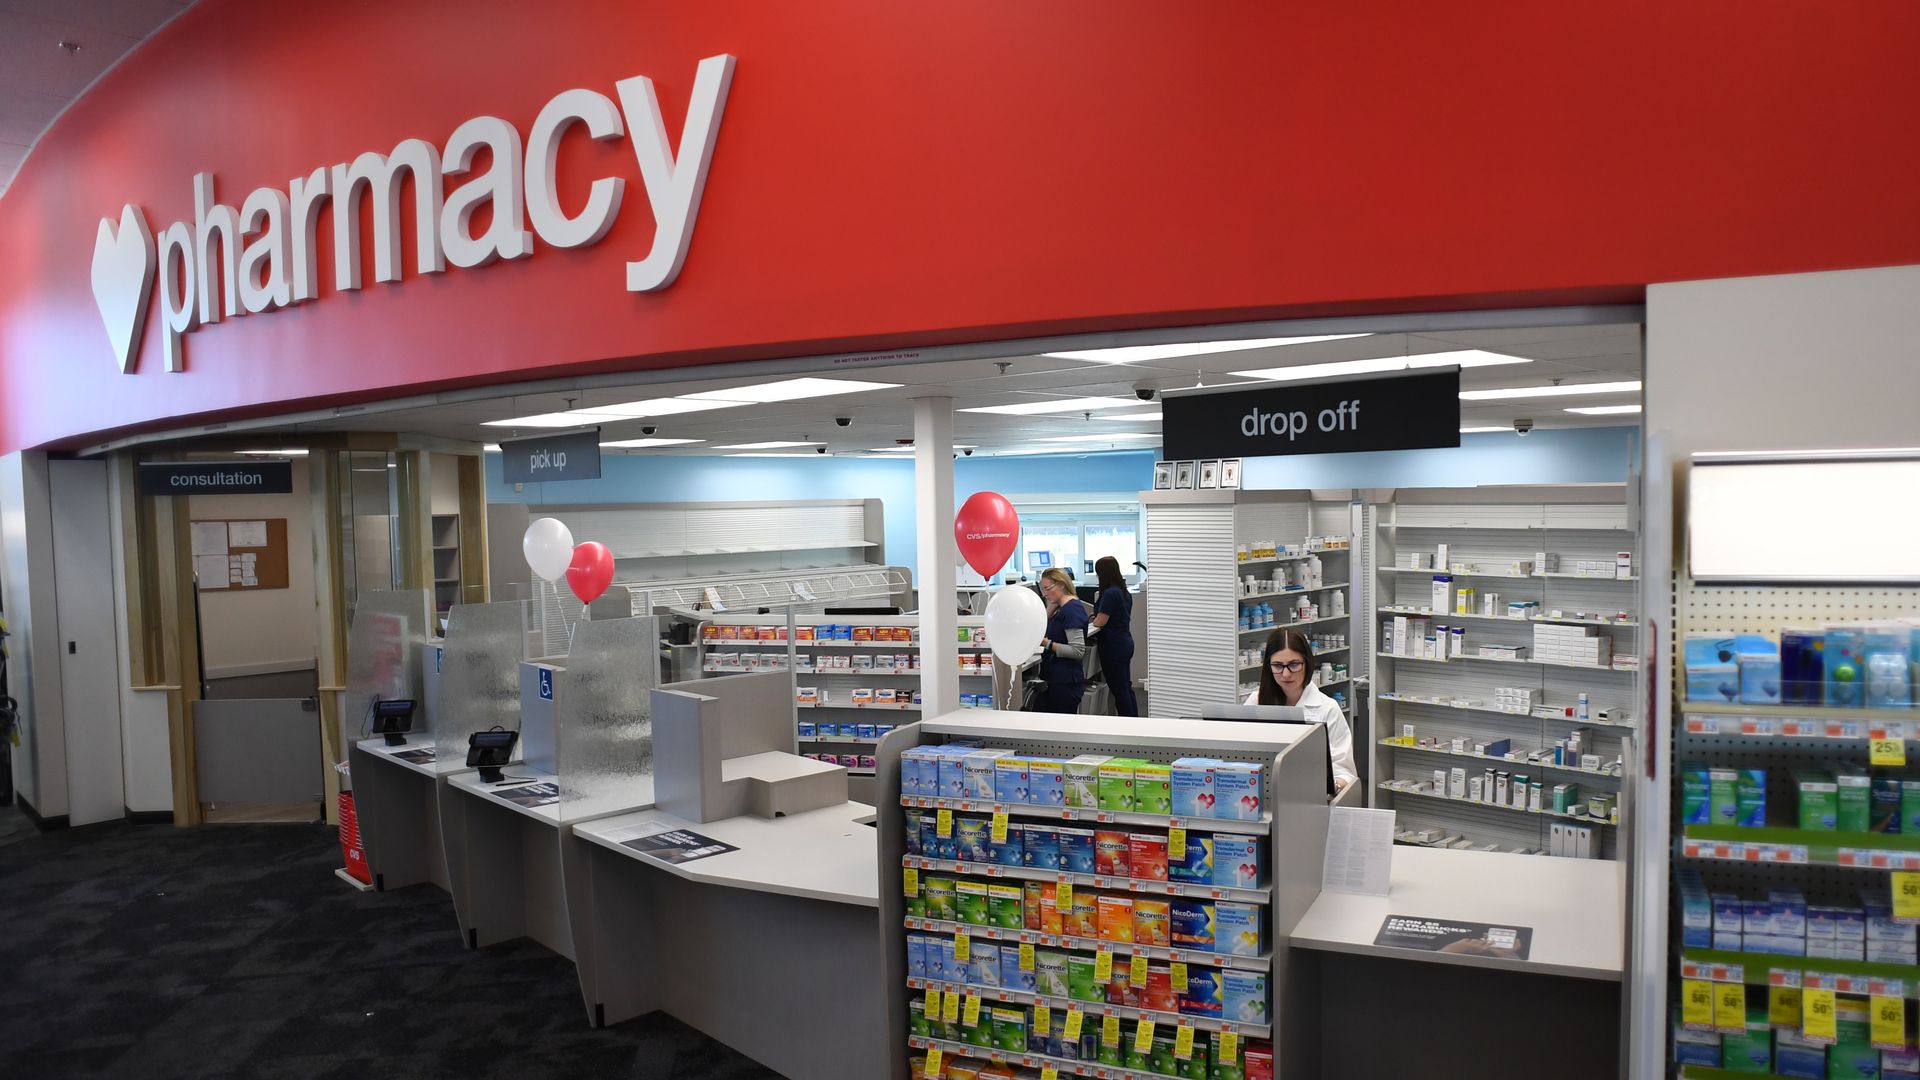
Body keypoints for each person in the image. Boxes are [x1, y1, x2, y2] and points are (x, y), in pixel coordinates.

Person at [1246, 628, 1356, 794]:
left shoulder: (1327, 709)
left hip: (1310, 798)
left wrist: (1332, 788)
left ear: (1307, 663)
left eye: (1294, 665)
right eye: (1277, 665)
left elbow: (1344, 772)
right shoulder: (1255, 701)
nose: (1286, 674)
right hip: (1262, 793)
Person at [1032, 567, 1089, 713]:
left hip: (1065, 682)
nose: (1044, 594)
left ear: (1062, 585)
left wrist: (1046, 643)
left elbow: (1077, 651)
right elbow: (1040, 626)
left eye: (1047, 589)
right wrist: (1051, 606)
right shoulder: (1062, 607)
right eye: (1042, 589)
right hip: (1056, 679)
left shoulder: (1072, 610)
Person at [1088, 555, 1138, 716]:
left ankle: (1127, 724)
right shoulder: (1123, 592)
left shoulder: (1110, 593)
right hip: (1124, 642)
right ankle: (1134, 721)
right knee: (1125, 686)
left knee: (1119, 688)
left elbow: (1100, 622)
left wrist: (1095, 619)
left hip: (1113, 646)